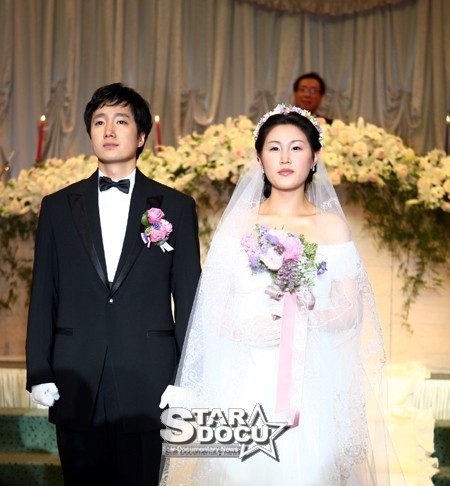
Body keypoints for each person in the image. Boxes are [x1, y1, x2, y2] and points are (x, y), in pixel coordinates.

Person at [159, 105, 403, 485]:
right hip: (242, 378)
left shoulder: (332, 227)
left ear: (315, 157)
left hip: (311, 383)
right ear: (259, 159)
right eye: (274, 148)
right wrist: (244, 330)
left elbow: (352, 310)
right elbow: (211, 304)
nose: (285, 158)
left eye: (296, 147)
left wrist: (307, 319)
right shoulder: (238, 224)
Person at [25, 83, 201, 485]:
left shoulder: (176, 207)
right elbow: (44, 292)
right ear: (90, 133)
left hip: (150, 378)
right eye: (99, 121)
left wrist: (187, 377)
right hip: (75, 375)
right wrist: (39, 369)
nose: (108, 130)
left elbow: (190, 297)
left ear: (141, 137)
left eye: (121, 121)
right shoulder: (57, 207)